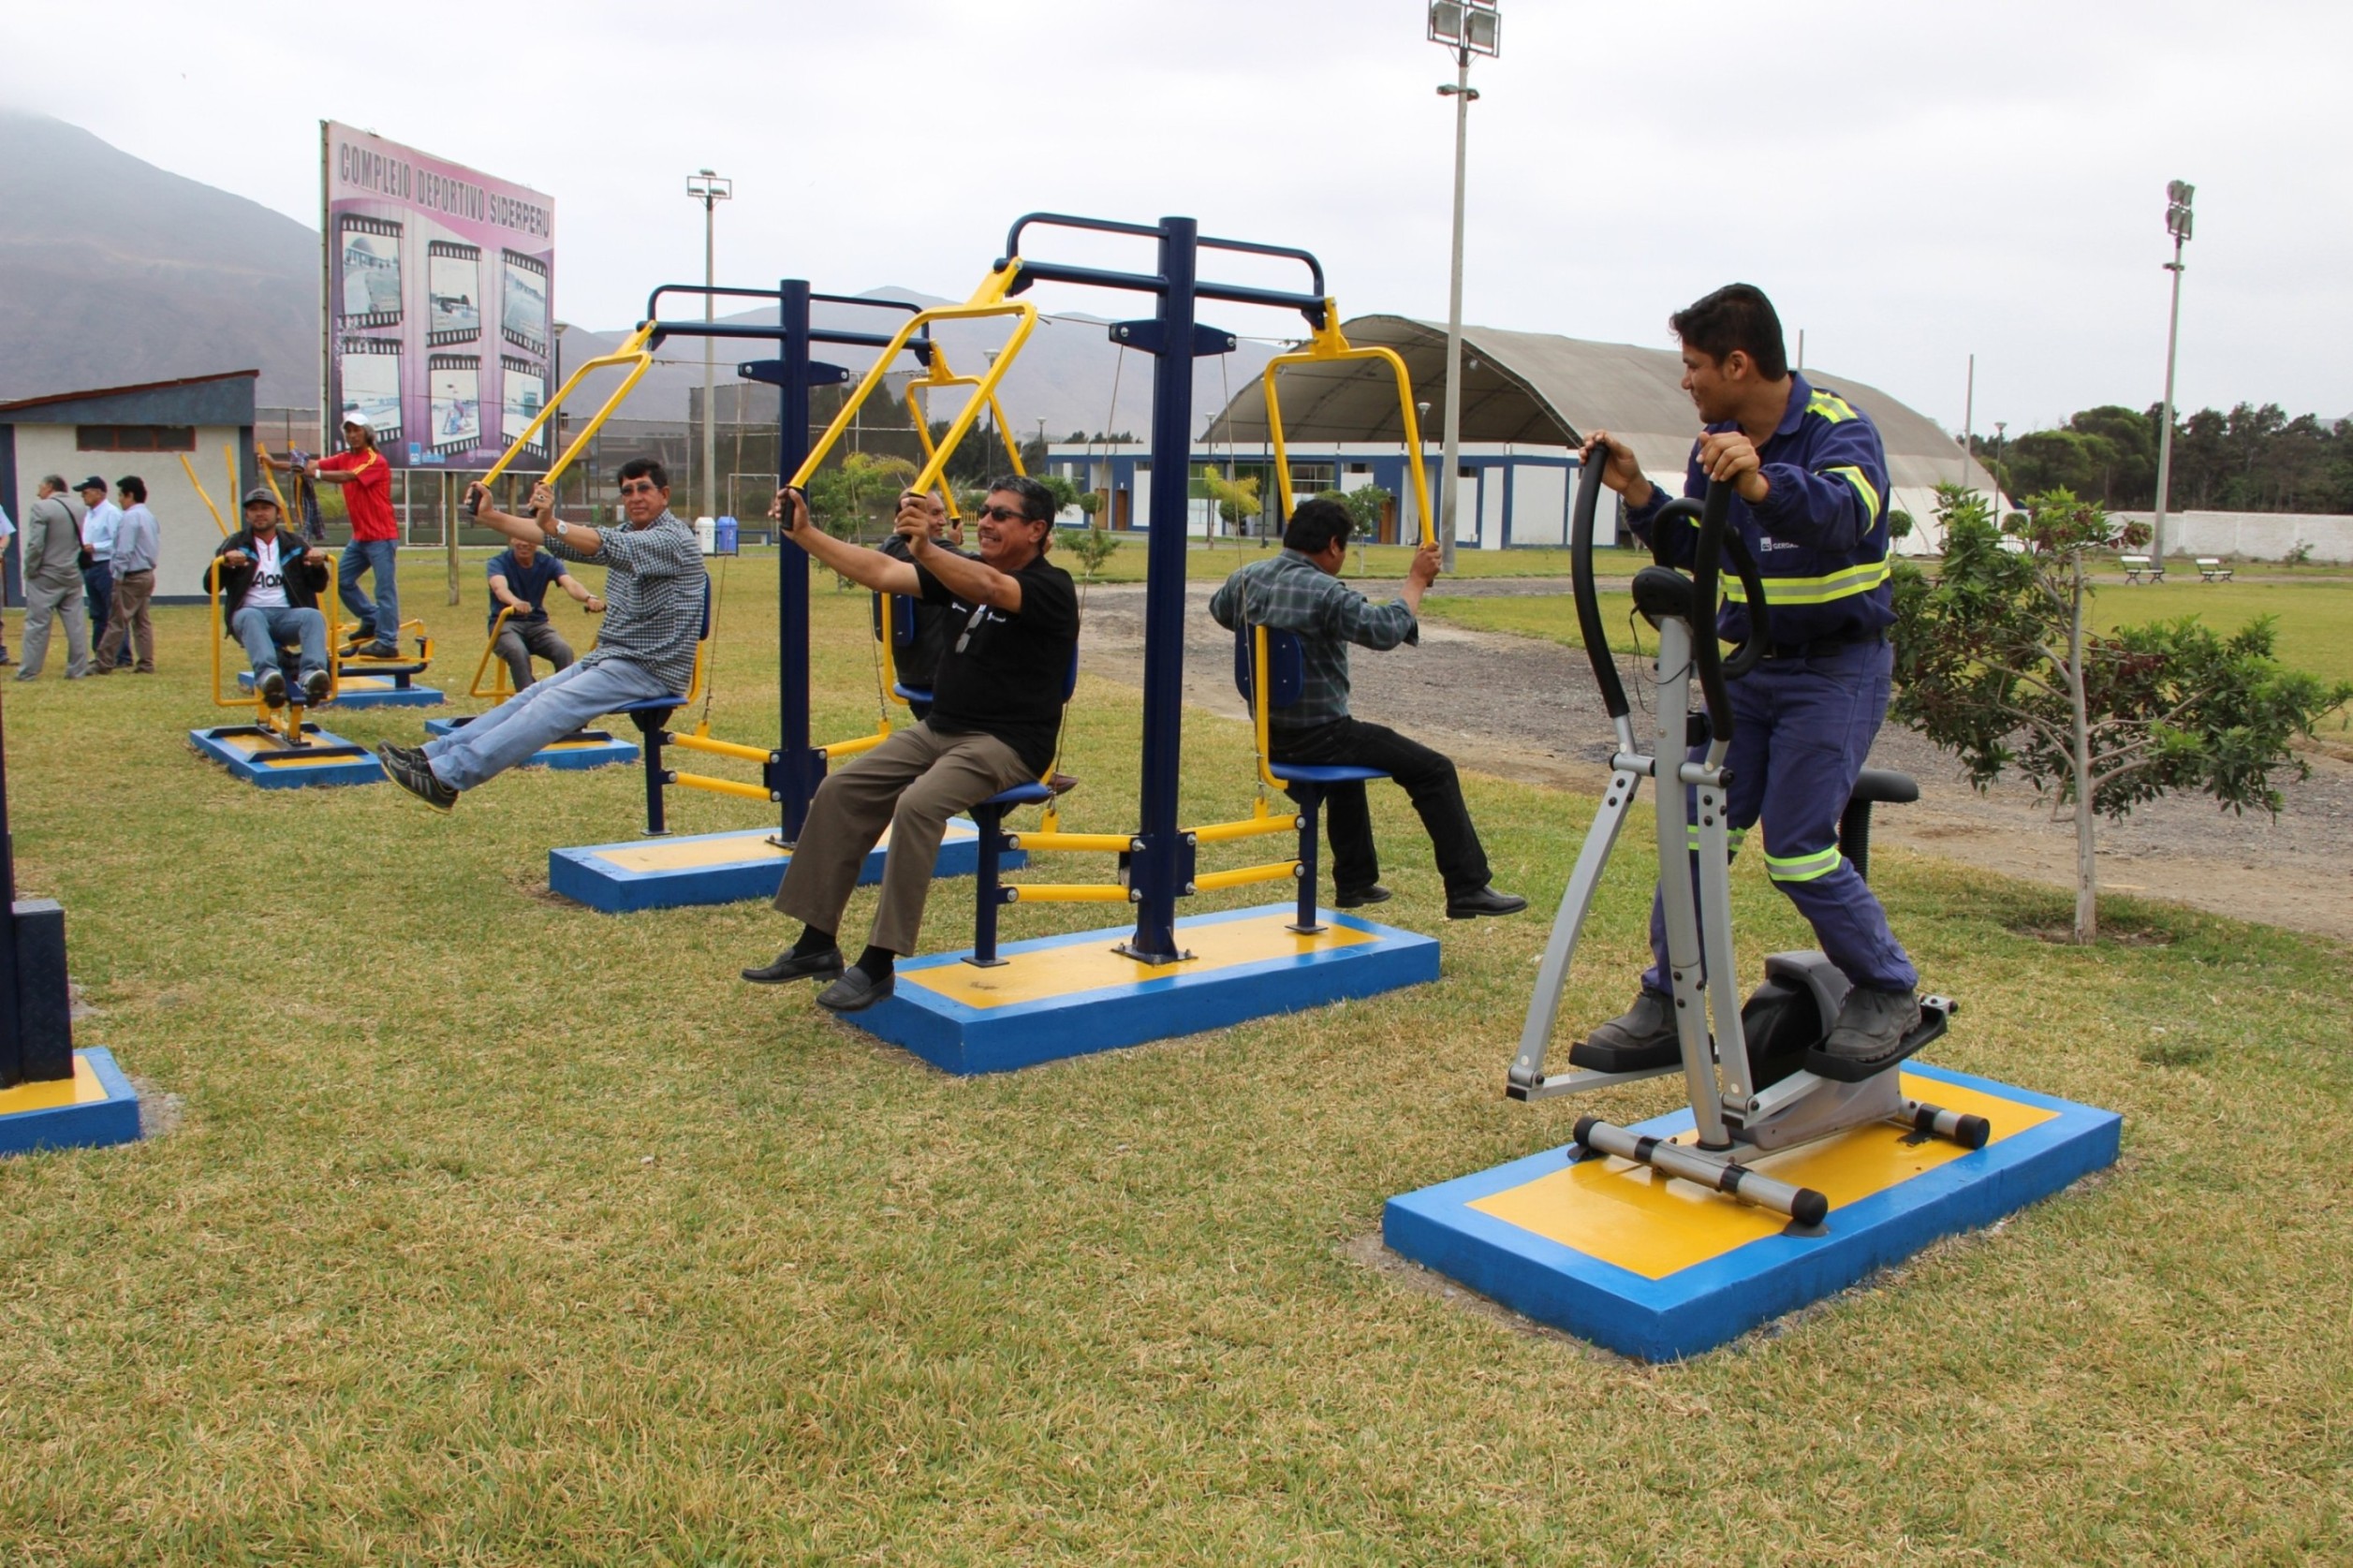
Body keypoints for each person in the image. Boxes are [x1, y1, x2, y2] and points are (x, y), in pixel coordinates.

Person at [1580, 282, 1919, 1071]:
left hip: (1835, 670)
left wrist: (1762, 483)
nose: (1685, 381)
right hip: (1751, 675)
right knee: (1696, 837)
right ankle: (1669, 999)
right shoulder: (1718, 443)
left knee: (1797, 848)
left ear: (1738, 363)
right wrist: (1636, 491)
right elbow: (1701, 550)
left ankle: (1887, 985)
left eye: (1694, 365)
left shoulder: (1839, 430)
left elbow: (1844, 514)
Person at [743, 475, 1078, 1013]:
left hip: (1006, 743)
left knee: (918, 806)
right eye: (984, 512)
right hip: (940, 729)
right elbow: (881, 570)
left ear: (1037, 530)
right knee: (841, 790)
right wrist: (805, 533)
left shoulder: (1050, 587)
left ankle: (878, 964)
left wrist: (925, 545)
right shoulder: (967, 574)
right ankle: (817, 942)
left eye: (1001, 516)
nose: (986, 522)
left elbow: (993, 591)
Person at [1207, 497, 1525, 921]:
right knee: (1434, 769)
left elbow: (1220, 610)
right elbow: (1384, 630)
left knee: (1349, 768)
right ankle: (1467, 886)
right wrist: (1415, 581)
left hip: (1270, 734)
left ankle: (1355, 881)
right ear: (1334, 545)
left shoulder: (1246, 579)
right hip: (1319, 735)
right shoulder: (1325, 593)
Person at [375, 458, 704, 809]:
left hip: (650, 668)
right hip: (611, 658)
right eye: (627, 491)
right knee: (527, 698)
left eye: (644, 489)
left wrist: (550, 522)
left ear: (664, 494)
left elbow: (598, 543)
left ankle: (449, 776)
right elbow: (556, 539)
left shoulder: (673, 540)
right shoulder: (628, 533)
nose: (635, 497)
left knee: (548, 706)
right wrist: (491, 516)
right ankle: (431, 758)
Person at [208, 489, 333, 707]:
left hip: (286, 615)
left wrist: (317, 566)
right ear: (247, 516)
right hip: (250, 615)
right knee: (249, 615)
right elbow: (210, 585)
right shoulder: (235, 543)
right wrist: (226, 564)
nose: (259, 514)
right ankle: (268, 677)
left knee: (313, 616)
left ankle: (312, 676)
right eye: (253, 509)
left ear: (278, 514)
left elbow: (318, 585)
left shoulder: (294, 545)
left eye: (265, 508)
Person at [296, 418, 401, 658]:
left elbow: (348, 476)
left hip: (381, 536)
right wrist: (279, 464)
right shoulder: (344, 456)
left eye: (357, 431)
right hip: (361, 537)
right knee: (342, 580)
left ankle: (388, 641)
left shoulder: (375, 460)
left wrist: (317, 473)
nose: (353, 435)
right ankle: (372, 619)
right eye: (349, 431)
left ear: (367, 434)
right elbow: (310, 465)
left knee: (385, 589)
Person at [875, 488, 965, 718]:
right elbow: (978, 570)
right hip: (934, 674)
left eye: (942, 513)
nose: (942, 520)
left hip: (914, 671)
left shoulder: (889, 548)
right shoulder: (920, 552)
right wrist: (950, 547)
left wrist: (948, 545)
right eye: (934, 513)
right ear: (908, 515)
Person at [485, 535, 603, 691]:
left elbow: (570, 584)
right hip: (505, 624)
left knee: (563, 651)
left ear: (538, 542)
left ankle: (564, 695)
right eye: (519, 538)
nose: (524, 543)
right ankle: (528, 698)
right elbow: (500, 589)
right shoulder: (498, 562)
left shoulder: (547, 562)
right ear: (512, 540)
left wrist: (589, 598)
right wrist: (515, 602)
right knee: (517, 652)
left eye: (530, 539)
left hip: (537, 624)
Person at [17, 477, 90, 681]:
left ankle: (29, 671)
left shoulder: (41, 508)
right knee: (75, 624)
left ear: (50, 487)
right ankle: (77, 669)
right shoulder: (80, 509)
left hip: (46, 574)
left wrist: (30, 569)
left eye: (40, 487)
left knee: (37, 624)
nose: (38, 492)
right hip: (72, 573)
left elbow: (36, 545)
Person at [92, 475, 158, 675]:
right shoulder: (149, 516)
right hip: (147, 574)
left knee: (116, 620)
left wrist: (117, 576)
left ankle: (103, 662)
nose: (119, 499)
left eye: (121, 495)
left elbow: (124, 550)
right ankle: (146, 662)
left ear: (130, 495)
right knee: (142, 621)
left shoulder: (130, 518)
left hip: (131, 576)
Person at [75, 476, 124, 667]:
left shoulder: (111, 513)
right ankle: (100, 653)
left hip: (106, 566)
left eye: (85, 492)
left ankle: (120, 655)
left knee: (112, 613)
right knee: (97, 613)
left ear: (99, 492)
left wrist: (96, 547)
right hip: (91, 566)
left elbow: (117, 542)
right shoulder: (90, 514)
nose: (83, 496)